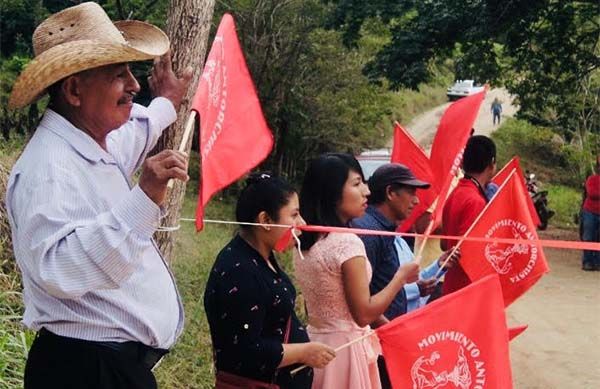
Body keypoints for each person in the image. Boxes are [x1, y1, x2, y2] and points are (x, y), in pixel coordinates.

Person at [5, 3, 193, 388]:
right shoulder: (48, 170)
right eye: (118, 75)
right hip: (85, 371)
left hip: (106, 367)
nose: (134, 85)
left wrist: (166, 102)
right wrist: (145, 197)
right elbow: (59, 269)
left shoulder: (92, 142)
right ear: (75, 90)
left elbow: (139, 129)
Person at [294, 153, 420, 389]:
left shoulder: (304, 240)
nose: (367, 192)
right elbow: (364, 313)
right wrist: (400, 278)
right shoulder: (347, 243)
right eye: (356, 184)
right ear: (333, 193)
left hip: (315, 343)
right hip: (346, 351)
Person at [204, 173, 335, 388]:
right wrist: (303, 352)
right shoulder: (240, 270)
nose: (301, 223)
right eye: (294, 215)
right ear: (265, 220)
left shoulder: (261, 256)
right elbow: (247, 350)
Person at [351, 163, 460, 389]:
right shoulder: (369, 233)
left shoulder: (385, 230)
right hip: (377, 343)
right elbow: (361, 300)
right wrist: (393, 334)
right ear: (391, 193)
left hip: (386, 340)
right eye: (411, 192)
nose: (417, 201)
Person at [441, 136, 497, 295]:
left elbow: (444, 245)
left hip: (452, 285)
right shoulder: (475, 201)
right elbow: (467, 254)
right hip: (467, 290)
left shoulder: (456, 192)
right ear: (491, 163)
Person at [580, 156, 600, 271]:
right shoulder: (592, 179)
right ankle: (587, 261)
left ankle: (597, 262)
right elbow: (592, 193)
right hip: (590, 212)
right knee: (588, 237)